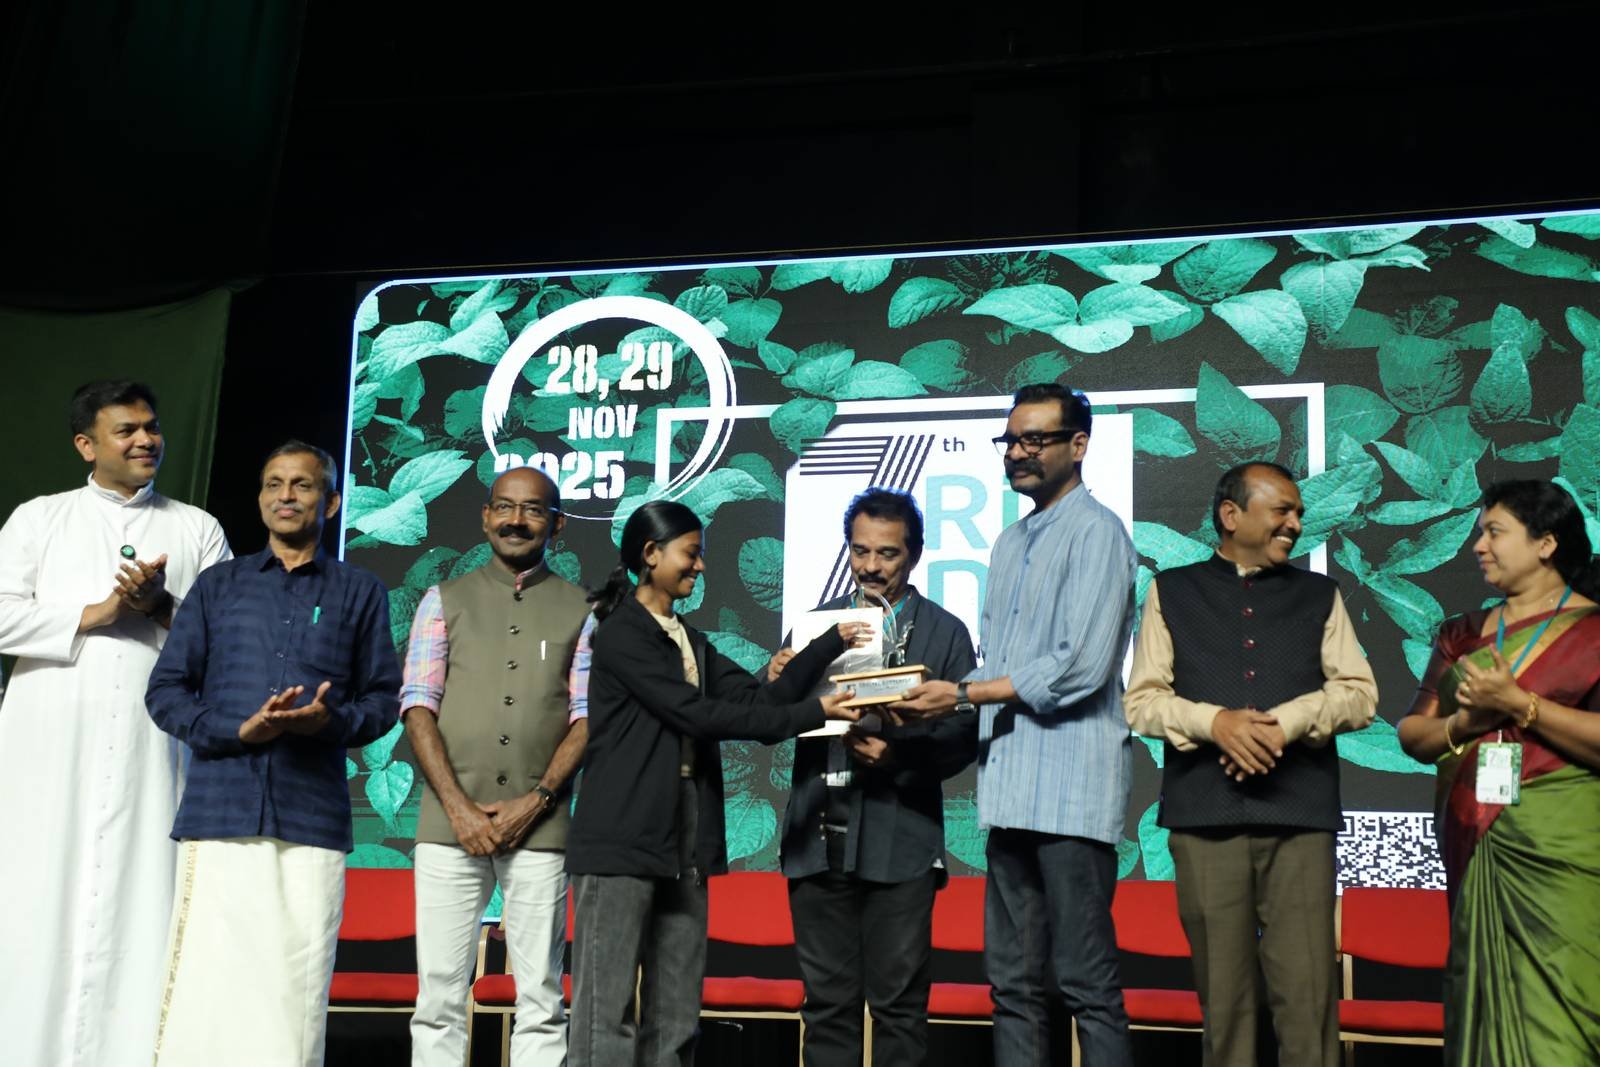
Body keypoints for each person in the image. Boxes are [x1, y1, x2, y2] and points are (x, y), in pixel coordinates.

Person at [566, 499, 869, 1067]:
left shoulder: (689, 640)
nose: (701, 566)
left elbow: (762, 703)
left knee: (676, 1011)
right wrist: (817, 712)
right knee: (605, 1012)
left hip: (686, 829)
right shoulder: (622, 633)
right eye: (692, 553)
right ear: (651, 554)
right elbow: (696, 715)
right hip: (621, 834)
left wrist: (828, 643)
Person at [892, 382, 1139, 1066]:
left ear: (1078, 445)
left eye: (1035, 439)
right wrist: (923, 690)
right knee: (1013, 986)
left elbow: (1081, 667)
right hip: (1009, 793)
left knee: (1086, 983)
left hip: (1071, 798)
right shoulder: (1007, 542)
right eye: (1010, 440)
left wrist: (961, 693)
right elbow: (998, 664)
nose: (1017, 452)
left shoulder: (1098, 532)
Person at [145, 440, 401, 1067]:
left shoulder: (360, 591)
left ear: (331, 503)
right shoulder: (218, 586)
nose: (286, 496)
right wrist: (240, 731)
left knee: (293, 990)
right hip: (219, 811)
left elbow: (382, 702)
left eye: (302, 485)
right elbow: (165, 691)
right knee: (208, 986)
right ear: (261, 498)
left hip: (310, 818)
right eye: (273, 484)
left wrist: (328, 721)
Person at [0, 380, 231, 1067]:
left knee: (145, 895)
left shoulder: (196, 528)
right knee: (36, 893)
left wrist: (159, 607)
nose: (145, 440)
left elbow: (229, 643)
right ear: (86, 444)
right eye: (126, 430)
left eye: (151, 427)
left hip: (150, 747)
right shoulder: (39, 519)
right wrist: (98, 613)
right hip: (48, 746)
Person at [1124, 462, 1377, 1067]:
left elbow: (1360, 694)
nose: (1296, 523)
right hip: (1204, 818)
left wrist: (1285, 723)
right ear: (1231, 515)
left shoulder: (1320, 594)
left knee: (1309, 1000)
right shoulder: (1171, 591)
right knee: (1226, 1005)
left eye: (1298, 513)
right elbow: (1142, 702)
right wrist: (1216, 724)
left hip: (1300, 819)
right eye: (1282, 510)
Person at [767, 487, 977, 1067]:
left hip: (900, 843)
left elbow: (966, 736)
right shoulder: (817, 625)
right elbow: (768, 717)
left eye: (887, 553)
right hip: (817, 843)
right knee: (827, 1011)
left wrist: (898, 758)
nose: (871, 566)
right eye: (860, 551)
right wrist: (776, 676)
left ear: (915, 553)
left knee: (899, 1012)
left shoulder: (945, 631)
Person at [1397, 479, 1600, 1065]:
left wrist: (1520, 706)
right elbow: (1413, 734)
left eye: (1494, 532)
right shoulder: (1461, 634)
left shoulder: (1594, 632)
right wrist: (1466, 723)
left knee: (1562, 1022)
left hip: (1566, 851)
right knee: (1480, 1010)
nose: (1478, 546)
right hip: (1474, 839)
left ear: (1546, 544)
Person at [403, 467, 594, 1067]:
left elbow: (588, 718)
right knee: (438, 997)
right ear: (486, 517)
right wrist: (459, 809)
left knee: (541, 996)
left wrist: (536, 802)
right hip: (447, 826)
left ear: (557, 525)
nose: (517, 520)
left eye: (533, 510)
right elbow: (417, 707)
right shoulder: (442, 600)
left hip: (541, 826)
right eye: (505, 507)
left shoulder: (584, 609)